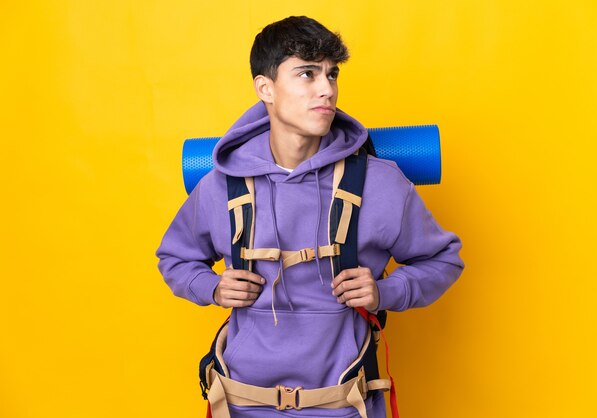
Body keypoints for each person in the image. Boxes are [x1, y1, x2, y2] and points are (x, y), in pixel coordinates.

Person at [156, 15, 464, 418]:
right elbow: (174, 258)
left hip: (345, 404)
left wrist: (386, 291)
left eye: (331, 74)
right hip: (241, 402)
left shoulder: (380, 183)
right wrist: (211, 287)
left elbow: (444, 259)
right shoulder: (221, 185)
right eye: (307, 74)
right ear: (265, 88)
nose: (327, 89)